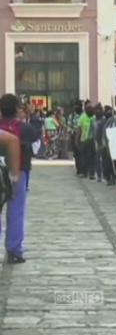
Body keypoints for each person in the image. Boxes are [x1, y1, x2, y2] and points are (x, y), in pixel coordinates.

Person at [0, 94, 41, 264]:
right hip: (18, 172)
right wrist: (34, 116)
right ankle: (14, 249)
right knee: (16, 211)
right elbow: (37, 134)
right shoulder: (23, 128)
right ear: (17, 108)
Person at [78, 103, 96, 179]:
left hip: (93, 141)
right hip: (84, 140)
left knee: (92, 157)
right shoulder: (82, 117)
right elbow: (79, 129)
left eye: (91, 108)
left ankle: (92, 173)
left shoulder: (95, 117)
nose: (90, 110)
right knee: (84, 157)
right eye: (88, 108)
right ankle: (84, 172)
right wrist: (77, 139)